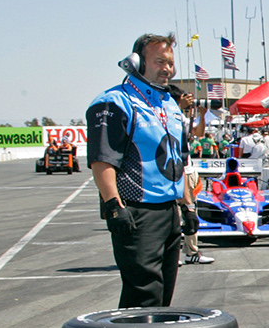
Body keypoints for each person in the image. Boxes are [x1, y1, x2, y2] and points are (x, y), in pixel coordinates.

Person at [89, 34, 188, 308]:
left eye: (170, 62)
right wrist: (112, 204)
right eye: (159, 61)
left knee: (163, 292)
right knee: (144, 292)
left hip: (169, 210)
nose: (167, 68)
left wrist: (187, 206)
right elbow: (102, 160)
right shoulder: (114, 102)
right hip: (136, 210)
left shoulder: (169, 104)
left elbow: (179, 159)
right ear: (136, 62)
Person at [179, 162, 213, 266]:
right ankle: (170, 254)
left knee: (191, 218)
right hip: (176, 170)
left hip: (189, 171)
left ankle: (191, 253)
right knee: (179, 214)